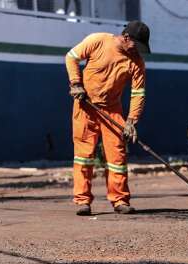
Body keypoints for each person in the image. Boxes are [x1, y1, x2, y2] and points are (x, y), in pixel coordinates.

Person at [65, 21, 149, 216]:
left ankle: (119, 200)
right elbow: (71, 58)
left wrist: (131, 121)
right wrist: (76, 83)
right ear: (126, 37)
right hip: (85, 107)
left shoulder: (136, 62)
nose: (138, 51)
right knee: (84, 156)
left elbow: (138, 93)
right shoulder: (98, 41)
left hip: (112, 110)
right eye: (137, 46)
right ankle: (82, 201)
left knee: (117, 157)